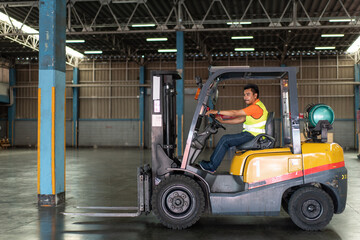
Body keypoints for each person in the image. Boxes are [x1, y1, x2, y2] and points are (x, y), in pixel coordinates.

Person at [199, 83, 268, 174]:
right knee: (226, 139)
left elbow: (235, 113)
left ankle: (211, 166)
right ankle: (211, 165)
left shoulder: (255, 107)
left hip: (252, 136)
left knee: (225, 140)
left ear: (255, 95)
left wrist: (216, 111)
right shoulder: (256, 106)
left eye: (248, 94)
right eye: (244, 95)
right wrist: (223, 121)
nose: (245, 97)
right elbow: (241, 119)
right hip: (251, 135)